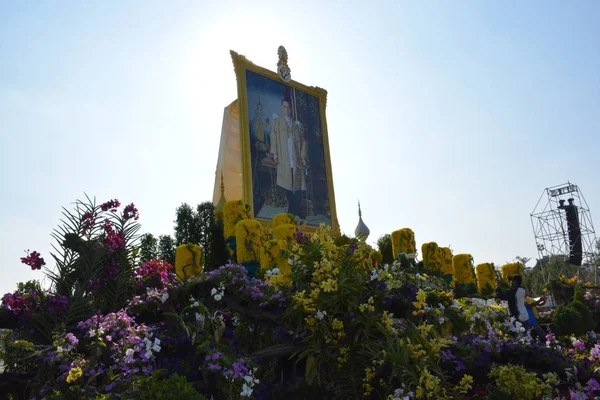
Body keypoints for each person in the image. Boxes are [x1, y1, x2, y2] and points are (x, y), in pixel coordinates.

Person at [268, 98, 308, 217]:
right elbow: (273, 137)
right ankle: (292, 209)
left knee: (298, 184)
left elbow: (303, 141)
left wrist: (303, 156)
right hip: (285, 157)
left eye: (289, 107)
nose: (287, 110)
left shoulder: (297, 124)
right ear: (282, 107)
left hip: (296, 158)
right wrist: (275, 153)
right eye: (285, 107)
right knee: (287, 184)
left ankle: (296, 209)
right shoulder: (277, 122)